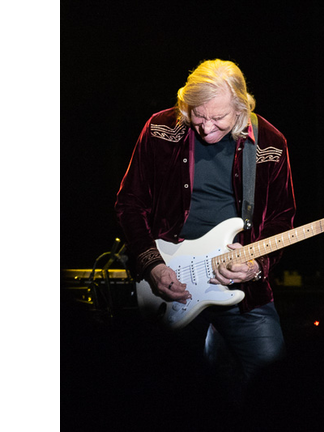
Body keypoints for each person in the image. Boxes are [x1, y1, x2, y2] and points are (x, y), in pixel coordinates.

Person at [115, 59, 296, 403]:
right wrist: (153, 265)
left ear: (241, 107)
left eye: (218, 118)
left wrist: (258, 266)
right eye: (198, 115)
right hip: (171, 282)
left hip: (241, 289)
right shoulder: (160, 129)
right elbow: (129, 202)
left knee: (275, 384)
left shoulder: (270, 143)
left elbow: (281, 217)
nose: (206, 127)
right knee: (162, 392)